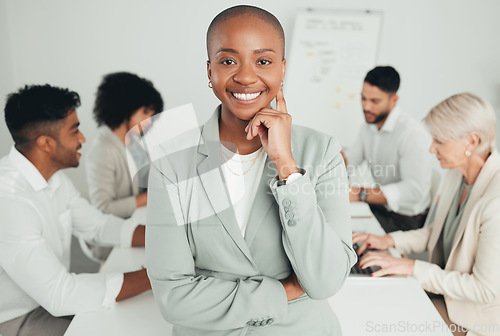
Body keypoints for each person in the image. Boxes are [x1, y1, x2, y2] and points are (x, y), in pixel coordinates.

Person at [146, 5, 356, 336]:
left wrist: (287, 166)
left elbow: (326, 280)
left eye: (263, 61)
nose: (245, 76)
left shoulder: (322, 151)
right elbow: (173, 298)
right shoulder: (173, 162)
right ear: (210, 69)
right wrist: (284, 291)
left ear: (283, 68)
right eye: (228, 61)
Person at [0, 85, 151, 336]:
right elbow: (60, 294)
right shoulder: (10, 203)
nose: (82, 138)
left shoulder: (54, 178)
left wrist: (168, 240)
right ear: (46, 143)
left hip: (48, 298)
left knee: (134, 316)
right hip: (17, 316)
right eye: (75, 130)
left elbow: (98, 225)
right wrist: (155, 276)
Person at [353, 93, 500, 336]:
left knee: (386, 320)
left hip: (472, 317)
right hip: (444, 294)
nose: (432, 149)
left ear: (471, 142)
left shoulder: (495, 202)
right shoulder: (456, 174)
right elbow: (437, 231)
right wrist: (390, 241)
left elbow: (484, 289)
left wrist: (411, 267)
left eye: (439, 141)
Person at [343, 66, 432, 232]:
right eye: (363, 98)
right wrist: (333, 161)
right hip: (382, 208)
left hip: (406, 220)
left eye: (375, 101)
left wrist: (359, 194)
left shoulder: (412, 135)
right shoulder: (368, 127)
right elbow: (351, 159)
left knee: (348, 236)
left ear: (394, 100)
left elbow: (414, 190)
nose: (366, 107)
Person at [85, 72, 163, 261]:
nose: (150, 120)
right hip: (114, 235)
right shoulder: (102, 150)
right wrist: (148, 197)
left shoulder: (133, 139)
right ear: (125, 107)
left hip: (139, 219)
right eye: (145, 112)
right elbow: (103, 209)